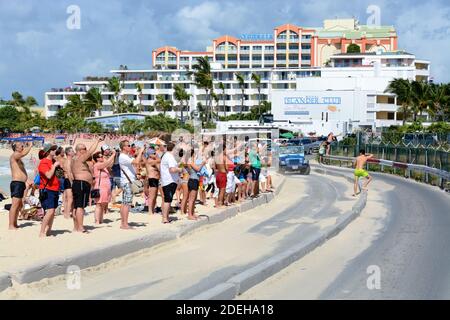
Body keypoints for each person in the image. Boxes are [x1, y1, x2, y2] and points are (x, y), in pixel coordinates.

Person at [71, 137, 103, 233]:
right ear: (80, 150)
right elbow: (91, 151)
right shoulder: (79, 158)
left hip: (79, 183)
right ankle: (80, 227)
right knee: (80, 206)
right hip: (81, 183)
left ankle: (76, 226)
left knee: (77, 206)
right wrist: (97, 141)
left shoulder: (74, 159)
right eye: (84, 149)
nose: (86, 150)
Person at [118, 140, 144, 229]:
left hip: (126, 182)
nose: (130, 147)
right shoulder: (123, 156)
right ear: (124, 147)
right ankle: (124, 224)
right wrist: (140, 152)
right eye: (128, 145)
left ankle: (123, 223)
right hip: (127, 182)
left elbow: (135, 161)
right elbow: (136, 162)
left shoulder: (125, 156)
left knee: (124, 203)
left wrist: (137, 153)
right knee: (127, 204)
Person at [9, 141, 33, 230]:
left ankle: (14, 223)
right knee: (15, 205)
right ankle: (11, 225)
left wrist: (27, 179)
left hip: (21, 183)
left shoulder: (18, 158)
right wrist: (30, 146)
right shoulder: (15, 155)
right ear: (16, 148)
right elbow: (23, 153)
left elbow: (22, 170)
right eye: (20, 145)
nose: (22, 146)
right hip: (16, 183)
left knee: (19, 205)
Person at [38, 144, 60, 237]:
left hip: (55, 188)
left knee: (53, 211)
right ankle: (42, 232)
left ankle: (49, 230)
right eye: (53, 149)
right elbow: (48, 175)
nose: (55, 151)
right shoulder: (43, 162)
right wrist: (54, 166)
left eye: (55, 149)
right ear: (48, 152)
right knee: (50, 210)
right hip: (47, 189)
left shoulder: (53, 161)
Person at [160, 142, 182, 224]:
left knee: (168, 199)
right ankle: (165, 218)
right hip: (169, 181)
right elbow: (172, 170)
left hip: (168, 180)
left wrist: (181, 165)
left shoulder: (167, 155)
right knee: (167, 200)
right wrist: (179, 169)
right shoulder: (169, 156)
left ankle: (166, 217)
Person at [92, 150, 116, 224]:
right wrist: (113, 155)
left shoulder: (103, 165)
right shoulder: (97, 165)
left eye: (102, 156)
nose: (102, 157)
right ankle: (97, 221)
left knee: (103, 204)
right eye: (101, 157)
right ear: (97, 159)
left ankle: (101, 219)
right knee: (99, 204)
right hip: (100, 186)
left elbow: (110, 164)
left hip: (106, 186)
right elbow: (107, 163)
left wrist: (113, 156)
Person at [186, 149, 205, 220]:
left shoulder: (192, 161)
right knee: (191, 199)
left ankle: (192, 213)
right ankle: (189, 215)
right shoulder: (190, 161)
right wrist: (202, 164)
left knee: (194, 198)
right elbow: (197, 169)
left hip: (195, 180)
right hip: (192, 180)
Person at [143, 146, 161, 214]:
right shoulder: (151, 161)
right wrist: (158, 157)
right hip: (152, 179)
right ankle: (150, 211)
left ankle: (152, 209)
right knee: (152, 196)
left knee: (155, 196)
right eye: (153, 153)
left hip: (154, 179)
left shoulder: (152, 161)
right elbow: (159, 166)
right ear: (150, 155)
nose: (155, 154)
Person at [62, 147, 75, 219]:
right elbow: (69, 172)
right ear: (69, 153)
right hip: (69, 180)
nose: (74, 152)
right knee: (70, 199)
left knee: (69, 198)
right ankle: (66, 214)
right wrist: (72, 182)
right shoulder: (68, 161)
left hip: (67, 180)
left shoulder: (69, 160)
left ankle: (69, 213)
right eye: (72, 151)